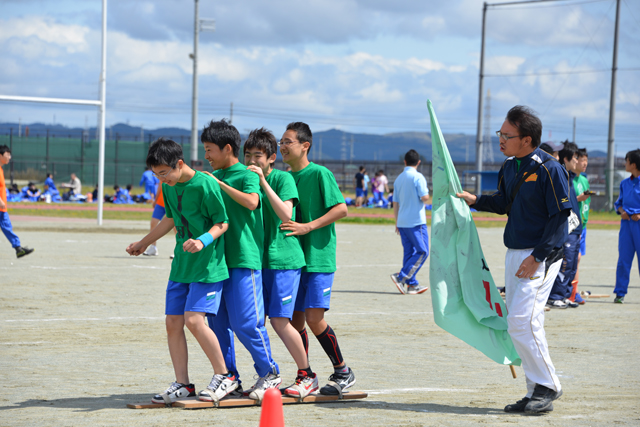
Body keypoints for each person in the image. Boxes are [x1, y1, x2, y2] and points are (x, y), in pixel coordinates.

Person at [457, 106, 571, 414]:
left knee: (523, 321)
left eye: (507, 135)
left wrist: (537, 257)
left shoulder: (550, 168)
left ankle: (548, 386)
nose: (501, 140)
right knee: (519, 323)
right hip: (514, 252)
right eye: (500, 134)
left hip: (541, 256)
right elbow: (503, 202)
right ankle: (535, 391)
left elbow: (562, 218)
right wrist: (475, 200)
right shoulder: (509, 167)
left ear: (528, 139)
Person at [126, 137, 237, 404]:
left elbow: (222, 223)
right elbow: (169, 219)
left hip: (207, 265)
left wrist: (202, 240)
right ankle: (183, 384)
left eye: (164, 173)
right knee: (172, 322)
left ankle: (225, 377)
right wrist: (145, 242)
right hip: (181, 267)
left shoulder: (205, 183)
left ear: (179, 163)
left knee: (194, 320)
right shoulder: (169, 186)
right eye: (156, 175)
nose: (161, 179)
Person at [201, 119, 280, 402]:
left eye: (210, 150)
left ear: (227, 148)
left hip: (244, 260)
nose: (206, 156)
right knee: (217, 323)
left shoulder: (247, 174)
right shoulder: (211, 178)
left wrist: (218, 184)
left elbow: (251, 202)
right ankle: (229, 376)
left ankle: (270, 373)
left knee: (246, 323)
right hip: (217, 262)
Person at [279, 122, 355, 396]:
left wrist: (307, 226)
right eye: (281, 142)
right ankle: (305, 376)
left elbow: (342, 209)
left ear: (304, 145)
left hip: (318, 259)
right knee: (295, 322)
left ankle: (343, 371)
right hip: (294, 262)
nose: (282, 146)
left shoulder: (320, 173)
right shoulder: (284, 178)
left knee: (313, 318)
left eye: (288, 141)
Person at [243, 128, 318, 398]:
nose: (252, 161)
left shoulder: (283, 178)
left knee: (280, 321)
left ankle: (307, 375)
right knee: (252, 321)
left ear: (272, 157)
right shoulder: (244, 178)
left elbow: (286, 213)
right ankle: (266, 376)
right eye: (248, 156)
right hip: (258, 262)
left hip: (284, 260)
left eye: (258, 156)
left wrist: (263, 182)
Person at [547, 142, 583, 309]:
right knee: (565, 262)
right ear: (565, 159)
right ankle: (555, 295)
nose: (577, 161)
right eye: (575, 158)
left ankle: (566, 294)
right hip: (566, 229)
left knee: (572, 264)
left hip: (575, 229)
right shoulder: (560, 176)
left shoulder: (571, 178)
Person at [390, 149, 430, 295]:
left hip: (402, 221)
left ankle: (412, 284)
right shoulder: (418, 177)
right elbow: (424, 197)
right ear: (418, 162)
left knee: (409, 252)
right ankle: (401, 277)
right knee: (423, 251)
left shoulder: (399, 178)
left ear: (405, 161)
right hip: (416, 221)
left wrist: (396, 222)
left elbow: (395, 202)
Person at [613, 149, 640, 304]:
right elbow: (618, 203)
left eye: (627, 160)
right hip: (626, 227)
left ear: (634, 164)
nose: (625, 163)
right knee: (623, 260)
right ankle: (620, 293)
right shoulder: (624, 183)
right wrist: (621, 211)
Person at [0, 145, 34, 258]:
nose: (10, 157)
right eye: (8, 154)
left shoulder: (1, 169)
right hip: (0, 205)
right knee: (7, 226)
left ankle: (18, 249)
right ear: (0, 155)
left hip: (2, 208)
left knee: (7, 227)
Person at [572, 148, 591, 304]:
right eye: (581, 159)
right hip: (571, 226)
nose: (584, 163)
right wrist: (579, 198)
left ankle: (574, 291)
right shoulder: (569, 179)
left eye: (586, 160)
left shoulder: (584, 180)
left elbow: (586, 204)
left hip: (582, 226)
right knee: (572, 258)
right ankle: (569, 291)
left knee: (577, 259)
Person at [144, 182, 165, 257]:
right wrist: (155, 200)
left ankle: (178, 249)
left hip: (171, 203)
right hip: (160, 203)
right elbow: (160, 188)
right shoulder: (162, 176)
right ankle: (153, 247)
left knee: (176, 227)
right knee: (153, 223)